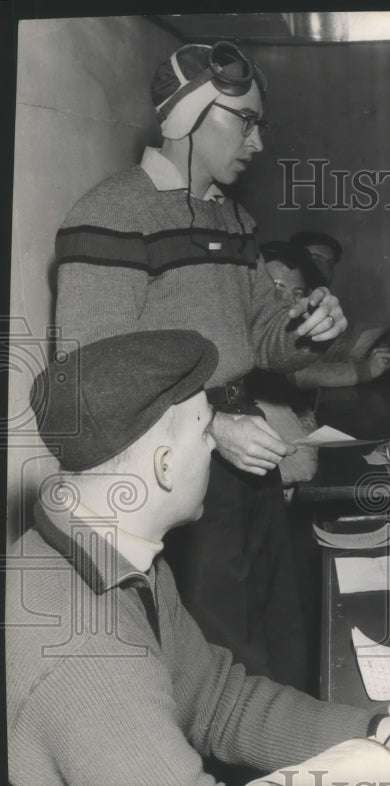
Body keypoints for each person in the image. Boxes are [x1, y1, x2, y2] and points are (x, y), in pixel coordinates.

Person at [5, 330, 390, 785]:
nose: (216, 445)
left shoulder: (115, 550)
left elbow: (218, 702)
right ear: (164, 466)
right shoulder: (88, 654)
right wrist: (382, 771)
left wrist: (381, 731)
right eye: (205, 434)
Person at [53, 41, 347, 689]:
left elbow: (266, 339)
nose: (259, 142)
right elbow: (91, 383)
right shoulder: (110, 216)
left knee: (283, 640)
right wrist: (213, 426)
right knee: (223, 667)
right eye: (246, 121)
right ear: (188, 115)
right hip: (175, 478)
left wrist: (309, 329)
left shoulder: (233, 218)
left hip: (249, 458)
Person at [260, 240, 390, 389]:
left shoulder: (314, 300)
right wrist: (365, 369)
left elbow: (331, 349)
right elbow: (292, 371)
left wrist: (374, 352)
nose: (323, 268)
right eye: (315, 259)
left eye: (329, 264)